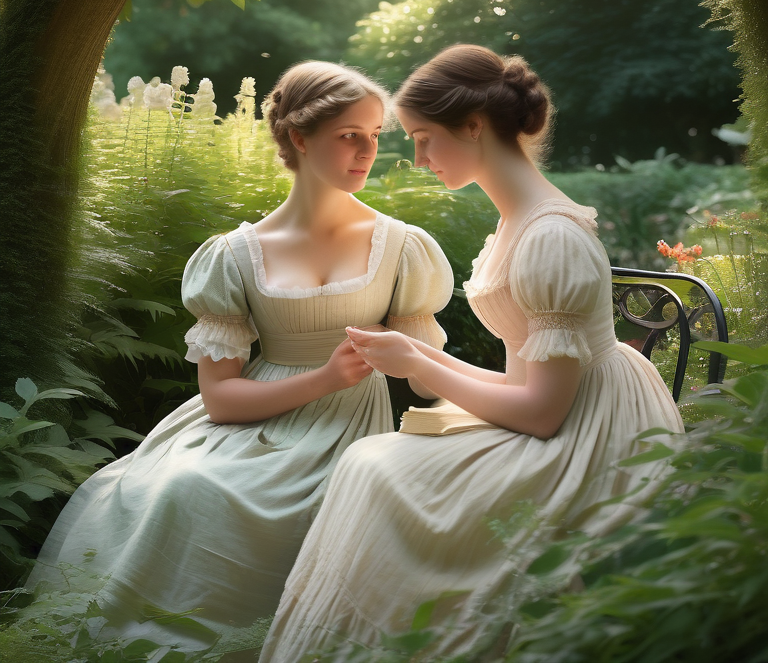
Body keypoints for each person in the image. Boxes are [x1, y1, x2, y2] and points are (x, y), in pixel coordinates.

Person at [260, 45, 685, 661]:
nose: (418, 158)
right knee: (370, 464)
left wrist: (421, 365)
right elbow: (524, 383)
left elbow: (540, 413)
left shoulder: (551, 238)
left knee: (379, 470)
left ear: (475, 126)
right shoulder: (520, 224)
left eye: (424, 139)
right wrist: (411, 351)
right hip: (561, 415)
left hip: (592, 438)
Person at [25, 61, 453, 653]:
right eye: (349, 135)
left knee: (333, 501)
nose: (367, 151)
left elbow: (432, 375)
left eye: (376, 134)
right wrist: (327, 374)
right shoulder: (234, 255)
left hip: (348, 427)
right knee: (184, 486)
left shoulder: (403, 247)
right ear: (300, 138)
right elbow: (222, 399)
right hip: (256, 416)